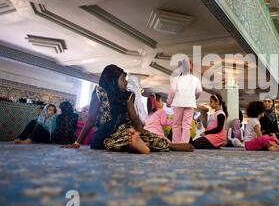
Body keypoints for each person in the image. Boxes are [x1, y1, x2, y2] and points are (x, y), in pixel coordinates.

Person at [62, 65, 192, 153]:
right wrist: (145, 133)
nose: (126, 82)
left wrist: (144, 132)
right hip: (112, 133)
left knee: (127, 138)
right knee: (132, 137)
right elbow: (91, 120)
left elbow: (134, 119)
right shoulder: (101, 92)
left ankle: (139, 144)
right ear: (113, 80)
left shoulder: (127, 95)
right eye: (123, 79)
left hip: (122, 131)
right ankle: (164, 145)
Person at [167, 56, 202, 143]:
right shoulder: (195, 79)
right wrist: (194, 97)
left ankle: (176, 143)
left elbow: (172, 91)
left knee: (176, 124)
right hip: (190, 104)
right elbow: (199, 91)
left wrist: (169, 101)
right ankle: (184, 143)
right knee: (187, 125)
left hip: (178, 103)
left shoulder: (176, 79)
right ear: (191, 67)